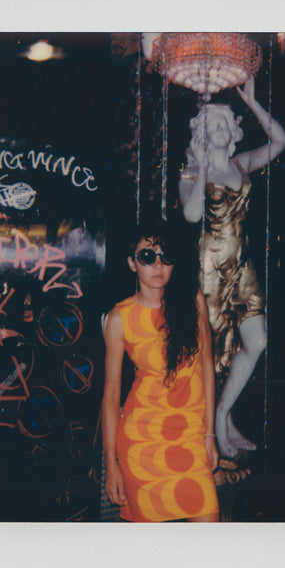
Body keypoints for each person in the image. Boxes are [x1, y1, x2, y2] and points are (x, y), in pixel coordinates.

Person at [178, 77, 285, 460]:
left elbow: (280, 143)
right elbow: (192, 216)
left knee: (256, 341)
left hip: (241, 266)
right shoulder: (190, 171)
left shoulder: (242, 164)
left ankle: (224, 414)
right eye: (213, 125)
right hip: (208, 270)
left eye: (226, 124)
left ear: (235, 131)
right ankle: (212, 428)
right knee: (211, 351)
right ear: (202, 134)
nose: (221, 129)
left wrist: (254, 103)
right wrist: (202, 169)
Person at [102, 223, 220, 522]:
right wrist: (111, 464)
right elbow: (111, 395)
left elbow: (207, 365)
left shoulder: (193, 301)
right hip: (142, 443)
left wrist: (209, 435)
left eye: (165, 257)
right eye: (147, 256)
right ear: (132, 263)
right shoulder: (120, 317)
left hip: (191, 437)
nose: (158, 265)